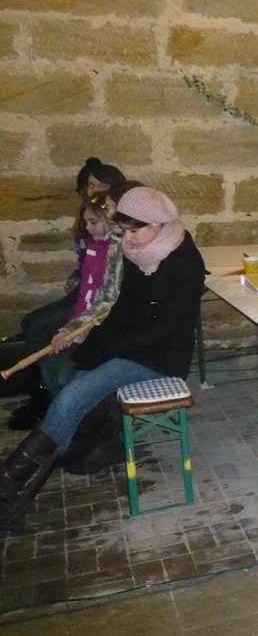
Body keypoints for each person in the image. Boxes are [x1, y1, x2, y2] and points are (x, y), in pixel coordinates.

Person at [0, 187, 205, 528]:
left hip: (161, 356)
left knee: (74, 395)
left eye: (135, 231)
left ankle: (10, 482)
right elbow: (123, 307)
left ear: (158, 224)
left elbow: (167, 326)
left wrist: (111, 347)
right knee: (72, 386)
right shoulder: (136, 253)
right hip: (131, 347)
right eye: (124, 231)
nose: (128, 239)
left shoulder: (186, 261)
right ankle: (21, 491)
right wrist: (97, 342)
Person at [8, 159, 126, 431]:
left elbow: (108, 297)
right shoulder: (92, 224)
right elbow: (87, 267)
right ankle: (45, 401)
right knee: (34, 326)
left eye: (101, 186)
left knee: (59, 358)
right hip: (86, 295)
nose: (93, 190)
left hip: (96, 305)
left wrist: (74, 329)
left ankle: (65, 412)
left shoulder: (117, 238)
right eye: (90, 185)